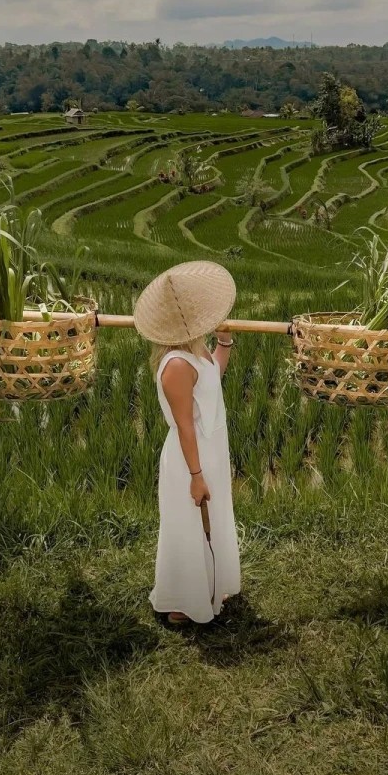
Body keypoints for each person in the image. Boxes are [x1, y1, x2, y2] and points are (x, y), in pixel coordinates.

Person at [134, 261, 241, 625]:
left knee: (214, 518)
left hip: (211, 446)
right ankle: (182, 600)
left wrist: (223, 342)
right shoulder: (176, 365)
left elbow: (214, 378)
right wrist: (196, 475)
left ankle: (210, 585)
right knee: (187, 524)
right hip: (188, 456)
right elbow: (184, 426)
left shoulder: (199, 350)